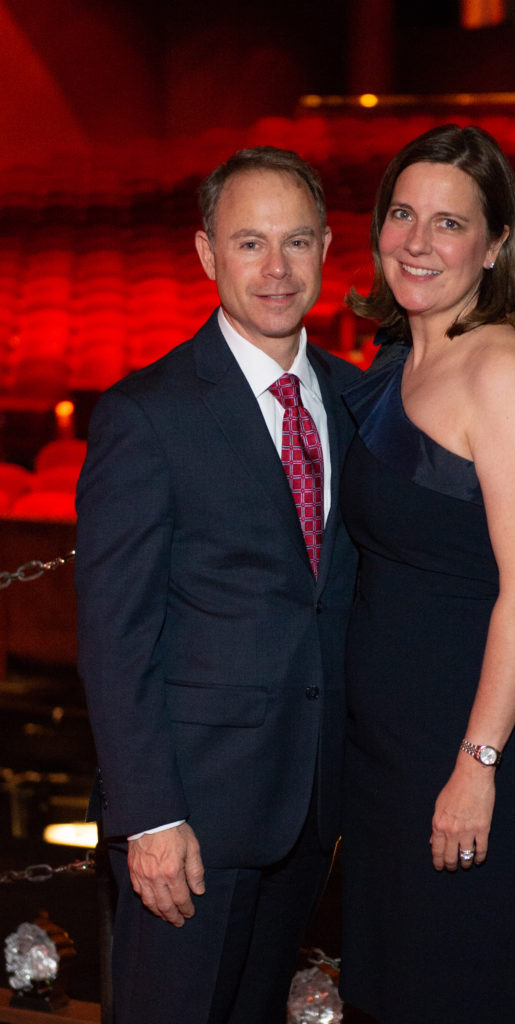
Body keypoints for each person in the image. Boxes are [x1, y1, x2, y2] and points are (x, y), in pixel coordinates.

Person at [74, 146, 361, 1024]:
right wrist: (149, 819)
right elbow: (112, 638)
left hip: (310, 810)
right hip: (188, 823)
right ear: (206, 254)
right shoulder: (146, 414)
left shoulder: (356, 400)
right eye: (249, 243)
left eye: (296, 242)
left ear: (324, 249)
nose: (276, 269)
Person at [339, 124, 515, 1024]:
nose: (417, 241)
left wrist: (478, 765)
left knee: (456, 995)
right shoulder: (396, 362)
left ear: (496, 244)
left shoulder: (505, 370)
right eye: (403, 214)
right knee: (388, 992)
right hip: (389, 753)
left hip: (471, 748)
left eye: (449, 223)